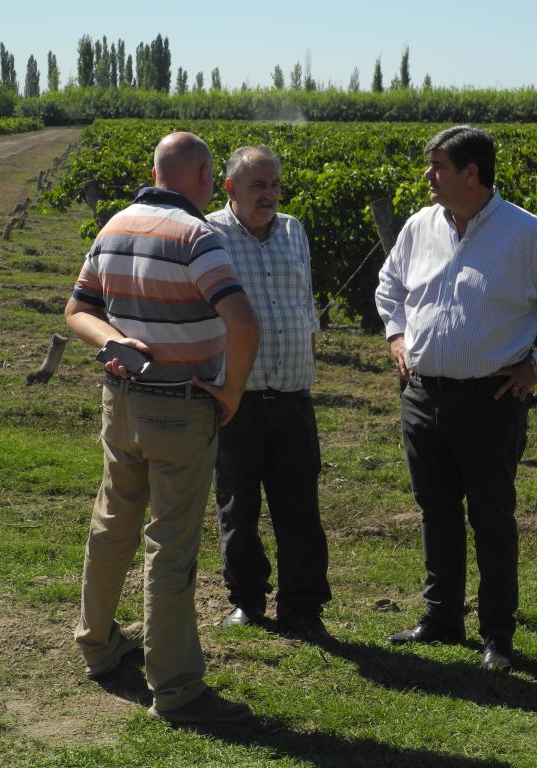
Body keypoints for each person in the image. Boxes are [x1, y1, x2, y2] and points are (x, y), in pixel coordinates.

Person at [375, 125, 537, 671]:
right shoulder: (420, 226)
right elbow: (390, 286)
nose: (428, 177)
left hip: (489, 399)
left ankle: (498, 636)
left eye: (438, 168)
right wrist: (398, 336)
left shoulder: (528, 235)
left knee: (492, 517)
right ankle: (441, 617)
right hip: (423, 395)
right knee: (436, 511)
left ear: (471, 174)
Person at [65, 131, 260, 724]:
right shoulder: (198, 236)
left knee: (111, 522)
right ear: (202, 177)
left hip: (120, 402)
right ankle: (174, 686)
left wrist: (115, 340)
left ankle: (97, 645)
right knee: (170, 546)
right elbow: (244, 325)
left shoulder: (114, 226)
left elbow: (77, 311)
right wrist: (230, 391)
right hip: (179, 407)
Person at [207, 146, 332, 644]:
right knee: (238, 504)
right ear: (231, 188)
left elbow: (303, 301)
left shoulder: (294, 230)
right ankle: (247, 599)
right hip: (237, 395)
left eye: (275, 184)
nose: (270, 194)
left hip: (294, 392)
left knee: (300, 504)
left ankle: (303, 606)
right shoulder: (208, 234)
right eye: (259, 185)